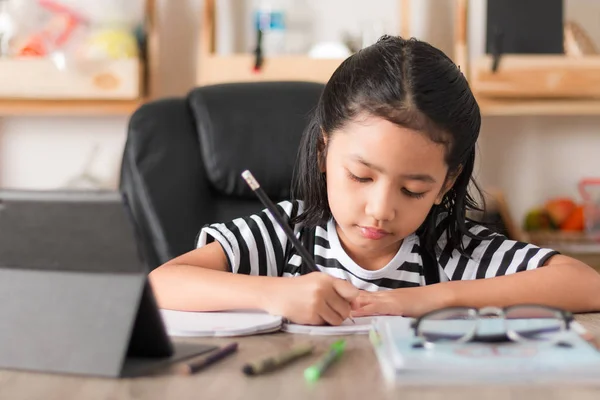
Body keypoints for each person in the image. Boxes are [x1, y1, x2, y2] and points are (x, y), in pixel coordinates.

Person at [149, 35, 600, 326]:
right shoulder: (284, 234)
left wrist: (430, 299)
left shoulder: (450, 249)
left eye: (413, 189)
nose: (381, 209)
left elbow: (586, 284)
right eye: (361, 176)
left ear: (448, 182)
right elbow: (162, 282)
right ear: (324, 150)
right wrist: (276, 293)